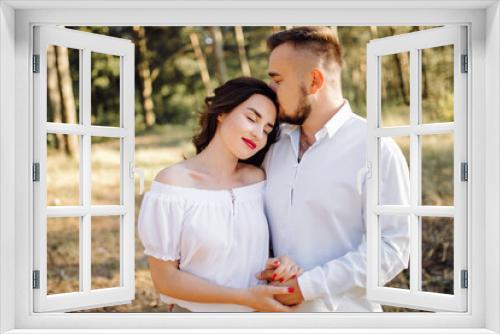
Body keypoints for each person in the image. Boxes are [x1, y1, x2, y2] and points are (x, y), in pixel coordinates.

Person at [259, 27, 411, 312]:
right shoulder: (271, 145)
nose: (271, 90)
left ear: (314, 80)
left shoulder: (376, 149)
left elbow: (393, 248)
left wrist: (308, 286)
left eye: (278, 80)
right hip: (273, 317)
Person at [137, 77, 302, 312]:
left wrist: (282, 264)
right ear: (222, 112)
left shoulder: (258, 180)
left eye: (266, 129)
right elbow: (165, 281)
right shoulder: (173, 184)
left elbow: (259, 251)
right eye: (251, 118)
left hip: (257, 321)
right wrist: (244, 298)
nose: (258, 134)